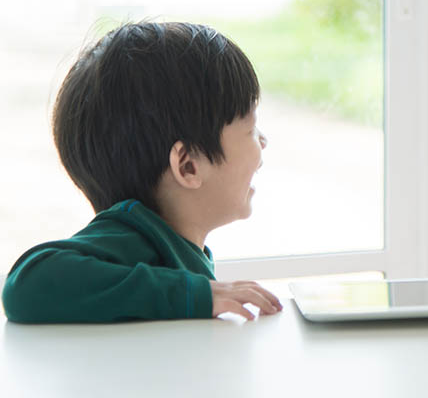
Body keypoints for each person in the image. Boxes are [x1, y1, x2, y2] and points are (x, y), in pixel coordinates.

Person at [2, 22, 282, 323]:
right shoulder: (134, 238)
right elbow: (27, 284)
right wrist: (193, 295)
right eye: (251, 129)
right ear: (187, 165)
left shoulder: (174, 247)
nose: (263, 141)